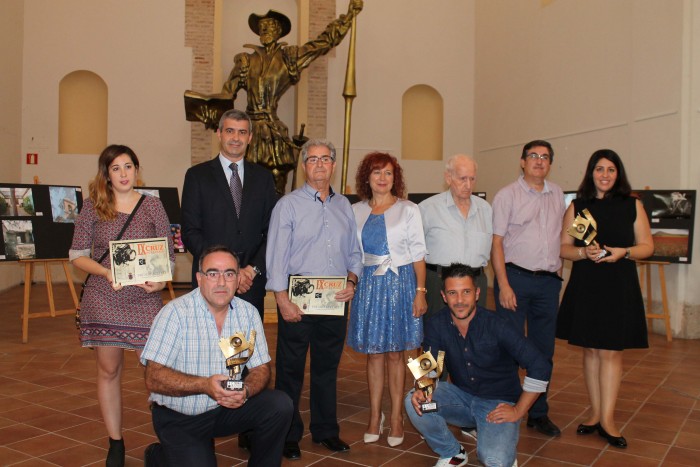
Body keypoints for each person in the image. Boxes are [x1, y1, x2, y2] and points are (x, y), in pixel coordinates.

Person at [69, 144, 175, 467]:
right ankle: (115, 442)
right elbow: (77, 255)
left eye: (128, 166)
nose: (124, 173)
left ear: (137, 170)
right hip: (105, 295)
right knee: (109, 369)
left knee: (156, 372)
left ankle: (171, 438)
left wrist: (158, 281)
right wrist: (106, 271)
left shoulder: (153, 206)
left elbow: (168, 256)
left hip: (145, 299)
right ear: (107, 174)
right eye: (116, 168)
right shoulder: (92, 207)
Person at [140, 245, 293, 466]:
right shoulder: (174, 314)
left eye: (229, 274)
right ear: (199, 278)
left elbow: (261, 368)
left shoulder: (248, 313)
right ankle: (159, 456)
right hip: (180, 417)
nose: (221, 282)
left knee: (280, 405)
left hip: (225, 409)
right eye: (213, 273)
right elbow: (153, 378)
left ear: (238, 278)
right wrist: (204, 385)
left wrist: (246, 389)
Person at [266, 139, 363, 459]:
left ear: (334, 165)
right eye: (313, 159)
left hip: (335, 298)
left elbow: (354, 252)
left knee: (326, 368)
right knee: (290, 369)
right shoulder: (288, 205)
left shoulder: (344, 205)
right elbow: (276, 255)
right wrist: (281, 298)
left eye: (326, 159)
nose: (320, 164)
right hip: (298, 297)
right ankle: (288, 434)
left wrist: (352, 279)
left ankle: (325, 431)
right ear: (304, 166)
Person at [404, 264, 551, 467]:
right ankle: (452, 452)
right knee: (414, 400)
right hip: (460, 402)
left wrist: (518, 410)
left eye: (466, 292)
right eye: (452, 293)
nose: (460, 300)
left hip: (497, 406)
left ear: (477, 293)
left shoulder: (498, 324)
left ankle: (501, 446)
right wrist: (423, 388)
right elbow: (428, 366)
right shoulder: (436, 324)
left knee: (494, 460)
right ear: (444, 296)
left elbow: (540, 366)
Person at [556, 149, 653, 448]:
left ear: (618, 173)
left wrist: (623, 252)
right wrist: (584, 252)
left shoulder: (632, 205)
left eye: (611, 169)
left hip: (619, 285)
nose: (605, 175)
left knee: (610, 352)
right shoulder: (579, 206)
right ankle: (595, 414)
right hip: (587, 284)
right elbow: (564, 248)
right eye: (599, 169)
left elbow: (647, 246)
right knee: (591, 351)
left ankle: (609, 420)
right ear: (591, 173)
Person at [221, 0, 363, 192]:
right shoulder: (246, 61)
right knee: (246, 180)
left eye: (270, 26)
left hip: (273, 132)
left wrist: (348, 17)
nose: (265, 30)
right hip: (251, 130)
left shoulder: (289, 57)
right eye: (262, 27)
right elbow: (226, 95)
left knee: (277, 179)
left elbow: (323, 42)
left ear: (279, 30)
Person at [347, 152, 427, 447]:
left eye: (388, 173)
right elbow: (352, 254)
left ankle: (395, 417)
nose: (382, 178)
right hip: (369, 286)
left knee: (396, 354)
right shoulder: (354, 211)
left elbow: (418, 252)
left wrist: (421, 292)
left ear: (396, 178)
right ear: (367, 177)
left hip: (400, 283)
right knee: (374, 354)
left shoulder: (408, 209)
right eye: (377, 172)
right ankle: (373, 416)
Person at [491, 139, 565, 437]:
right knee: (509, 347)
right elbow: (496, 243)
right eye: (533, 156)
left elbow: (561, 238)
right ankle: (507, 406)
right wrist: (505, 285)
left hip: (547, 283)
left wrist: (558, 278)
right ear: (522, 162)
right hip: (515, 279)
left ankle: (538, 411)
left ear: (550, 163)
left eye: (545, 157)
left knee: (544, 351)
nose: (539, 161)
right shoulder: (507, 195)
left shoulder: (558, 194)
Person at [182, 109, 277, 320]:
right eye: (230, 131)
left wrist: (251, 270)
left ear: (250, 137)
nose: (236, 138)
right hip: (211, 281)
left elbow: (272, 232)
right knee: (207, 348)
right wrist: (224, 271)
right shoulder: (197, 176)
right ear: (219, 133)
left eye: (242, 132)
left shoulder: (264, 178)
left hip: (249, 284)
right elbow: (190, 231)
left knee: (245, 350)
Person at [419, 154, 492, 315]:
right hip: (439, 282)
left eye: (472, 179)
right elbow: (415, 254)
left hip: (476, 282)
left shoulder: (485, 209)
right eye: (462, 178)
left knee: (476, 334)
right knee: (438, 335)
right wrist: (419, 291)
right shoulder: (427, 208)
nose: (468, 185)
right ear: (448, 178)